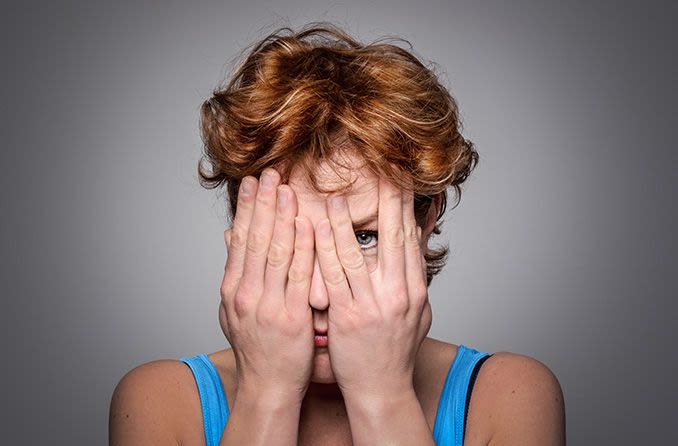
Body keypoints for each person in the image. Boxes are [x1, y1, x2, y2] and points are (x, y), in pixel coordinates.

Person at [109, 23, 565, 445]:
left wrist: (381, 393)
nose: (321, 294)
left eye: (363, 238)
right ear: (242, 229)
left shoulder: (509, 395)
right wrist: (266, 394)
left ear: (424, 222)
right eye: (288, 240)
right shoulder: (160, 401)